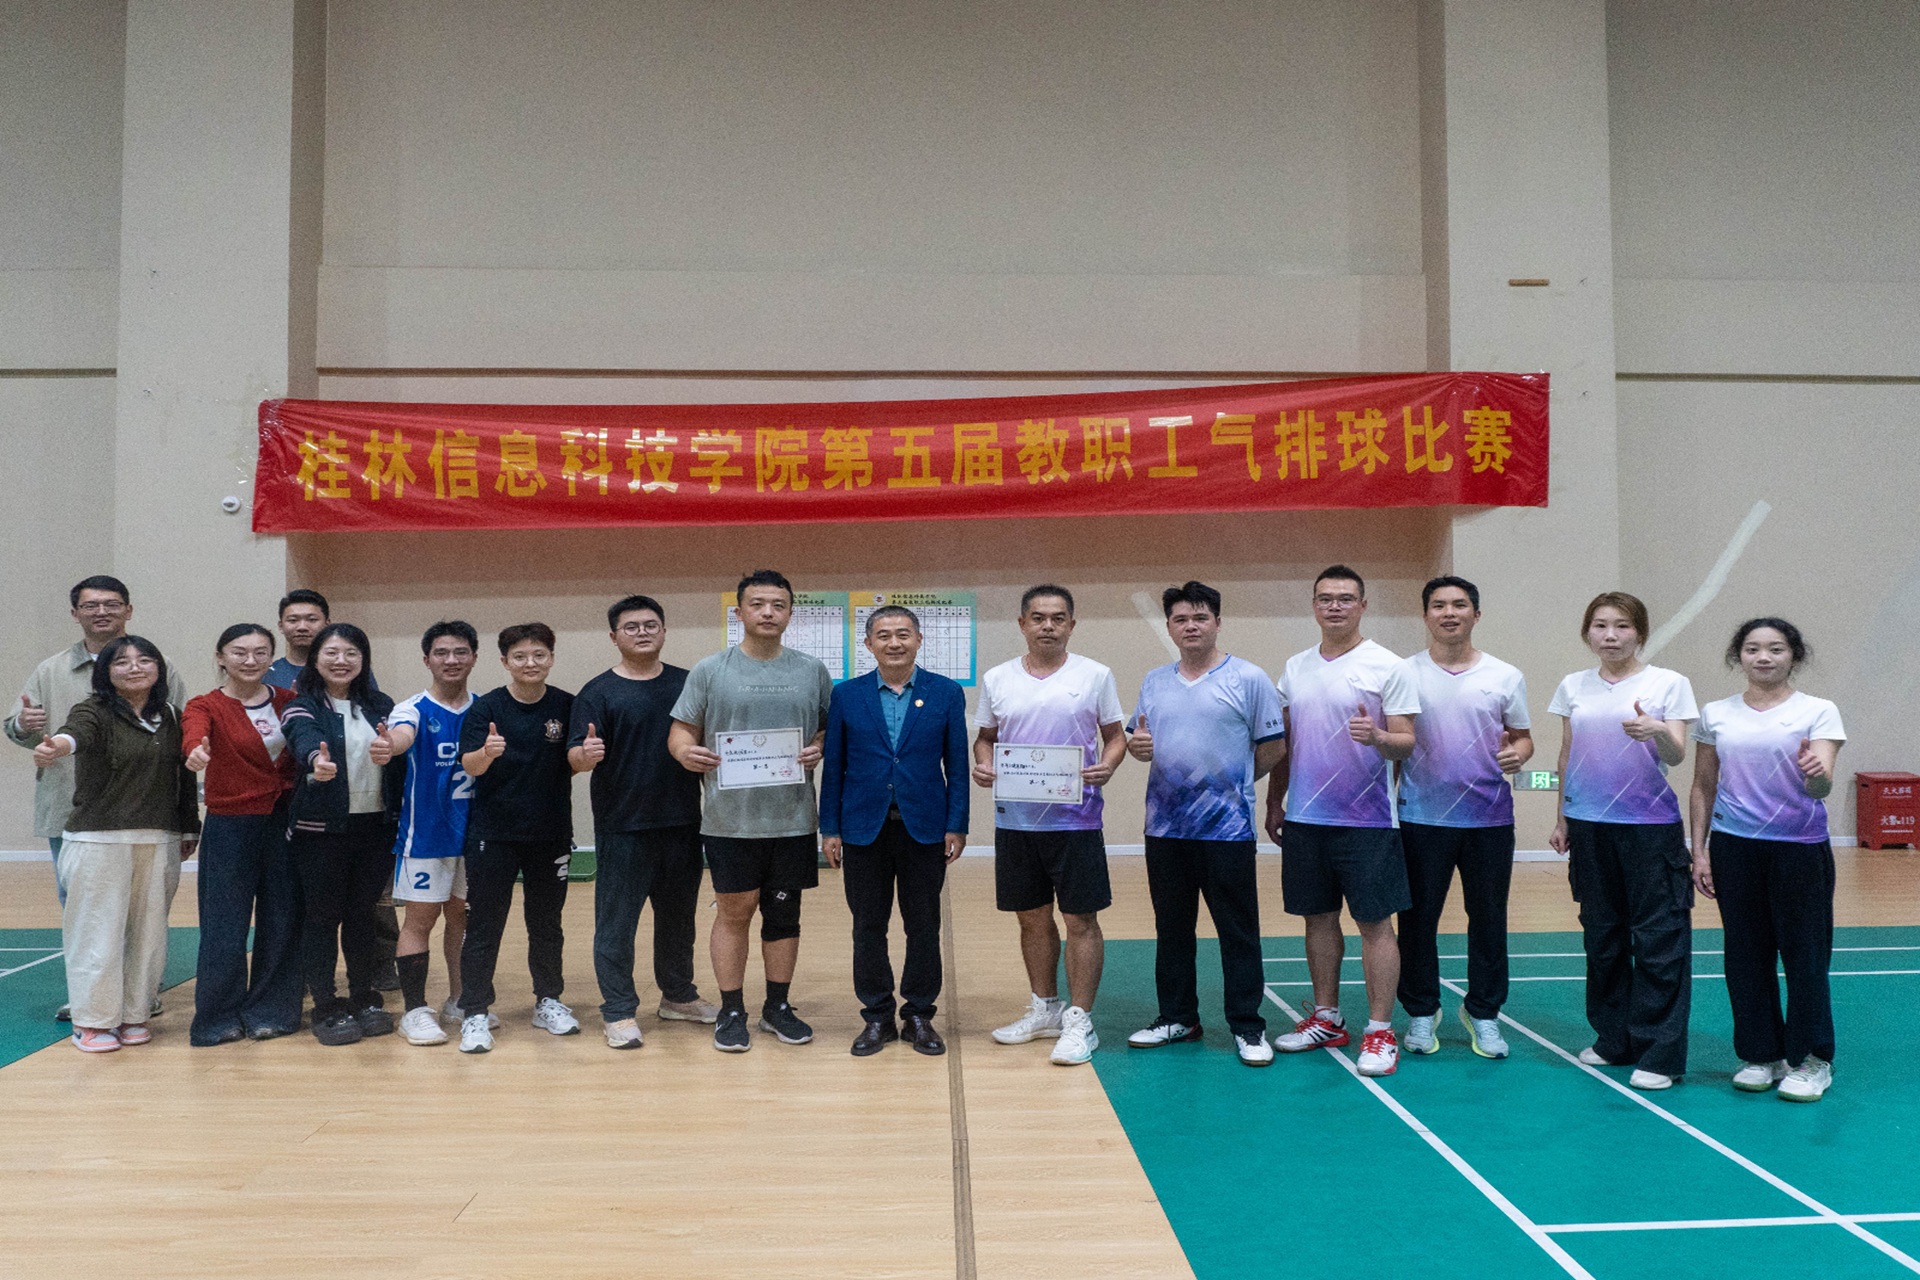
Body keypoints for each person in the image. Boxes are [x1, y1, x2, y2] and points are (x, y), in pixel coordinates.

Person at [1262, 565, 1418, 1078]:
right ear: (1314, 605)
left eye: (1346, 598)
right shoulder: (1296, 667)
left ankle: (1380, 1030)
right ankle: (1327, 1018)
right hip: (1306, 818)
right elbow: (1285, 744)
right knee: (1318, 918)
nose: (1335, 606)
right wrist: (1276, 801)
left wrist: (1378, 738)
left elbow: (1406, 741)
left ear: (1362, 605)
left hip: (1367, 821)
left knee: (1375, 924)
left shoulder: (1389, 666)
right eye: (1325, 598)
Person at [668, 570, 833, 1053]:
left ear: (790, 613)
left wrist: (819, 746)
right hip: (730, 820)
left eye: (778, 605)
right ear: (739, 612)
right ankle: (732, 1009)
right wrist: (685, 753)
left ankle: (777, 1007)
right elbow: (681, 731)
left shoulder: (811, 670)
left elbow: (828, 728)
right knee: (734, 913)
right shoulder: (710, 670)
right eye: (757, 604)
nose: (768, 612)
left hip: (792, 818)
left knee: (784, 915)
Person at [1124, 581, 1284, 1067]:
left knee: (1238, 930)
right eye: (1181, 619)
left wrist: (1230, 785)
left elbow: (1273, 747)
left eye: (1200, 617)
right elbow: (1138, 741)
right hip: (1165, 829)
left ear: (1217, 622)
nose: (1190, 626)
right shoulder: (1154, 681)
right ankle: (1178, 1017)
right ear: (1170, 627)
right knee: (1172, 927)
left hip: (1227, 830)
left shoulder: (1249, 678)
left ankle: (1247, 1025)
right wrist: (1136, 748)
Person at [1548, 591, 1698, 1091]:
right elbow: (1567, 753)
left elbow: (1676, 755)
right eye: (1600, 625)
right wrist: (1562, 817)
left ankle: (1660, 1053)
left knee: (1658, 942)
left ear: (1640, 632)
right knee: (1603, 938)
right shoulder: (1573, 685)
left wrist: (1657, 730)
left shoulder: (1668, 684)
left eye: (1622, 626)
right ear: (1587, 632)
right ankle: (1615, 1039)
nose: (1610, 635)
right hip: (1589, 827)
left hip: (1649, 829)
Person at [1690, 618, 1844, 1103]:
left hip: (1799, 849)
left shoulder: (1818, 711)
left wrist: (1816, 773)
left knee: (1805, 955)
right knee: (1745, 955)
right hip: (1734, 848)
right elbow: (1703, 785)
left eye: (1776, 649)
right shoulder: (1716, 714)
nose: (1763, 657)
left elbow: (1820, 787)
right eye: (1753, 648)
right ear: (1739, 656)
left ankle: (1812, 1059)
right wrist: (1699, 850)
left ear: (1793, 656)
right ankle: (1761, 1054)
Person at [973, 584, 1127, 1067]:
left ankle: (1080, 1019)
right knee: (1032, 918)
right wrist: (984, 764)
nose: (1048, 626)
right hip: (1016, 822)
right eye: (1038, 618)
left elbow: (1115, 736)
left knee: (1080, 919)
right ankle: (1046, 1008)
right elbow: (986, 738)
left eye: (1058, 618)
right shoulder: (998, 678)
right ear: (1022, 624)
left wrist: (1108, 766)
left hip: (1076, 821)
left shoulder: (1095, 675)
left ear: (1071, 625)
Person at [32, 636, 199, 1052]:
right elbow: (74, 736)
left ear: (159, 669)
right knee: (97, 932)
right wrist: (56, 747)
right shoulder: (92, 711)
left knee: (149, 934)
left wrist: (189, 827)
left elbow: (184, 778)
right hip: (98, 840)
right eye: (122, 662)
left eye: (145, 660)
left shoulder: (172, 716)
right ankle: (92, 1021)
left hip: (158, 838)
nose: (134, 667)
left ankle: (134, 1013)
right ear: (105, 672)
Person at [1392, 576, 1533, 1060]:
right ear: (1425, 615)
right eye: (1438, 605)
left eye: (1459, 604)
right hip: (1421, 818)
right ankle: (1421, 1010)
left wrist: (1518, 755)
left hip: (1489, 820)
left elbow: (1523, 738)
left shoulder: (1505, 675)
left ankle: (1484, 1012)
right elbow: (1395, 746)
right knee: (1417, 920)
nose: (1449, 613)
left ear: (1476, 613)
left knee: (1488, 919)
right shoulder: (1404, 672)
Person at [820, 605, 969, 1056]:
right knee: (868, 925)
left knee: (923, 925)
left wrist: (956, 824)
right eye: (883, 635)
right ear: (868, 644)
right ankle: (877, 1016)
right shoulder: (847, 695)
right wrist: (830, 827)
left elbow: (957, 765)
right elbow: (834, 767)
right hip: (863, 828)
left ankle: (919, 1014)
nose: (894, 642)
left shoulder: (945, 693)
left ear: (919, 640)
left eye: (903, 633)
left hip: (924, 828)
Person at [570, 595, 714, 1050]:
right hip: (623, 825)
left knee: (678, 920)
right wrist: (584, 756)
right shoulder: (597, 692)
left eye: (651, 625)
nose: (642, 632)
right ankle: (617, 1010)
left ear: (664, 631)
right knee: (617, 925)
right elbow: (575, 756)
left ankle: (678, 996)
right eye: (631, 627)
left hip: (683, 822)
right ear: (614, 637)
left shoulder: (687, 683)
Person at [6, 576, 185, 927]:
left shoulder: (159, 665)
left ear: (128, 610)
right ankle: (89, 962)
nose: (101, 612)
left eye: (111, 604)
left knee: (145, 902)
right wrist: (24, 725)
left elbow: (178, 729)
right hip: (70, 803)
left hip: (146, 806)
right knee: (78, 900)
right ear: (75, 613)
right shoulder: (51, 670)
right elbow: (21, 731)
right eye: (90, 605)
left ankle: (135, 962)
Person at [454, 623, 580, 1053]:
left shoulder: (566, 704)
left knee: (547, 923)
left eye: (539, 654)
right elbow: (470, 766)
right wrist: (486, 754)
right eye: (521, 656)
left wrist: (586, 758)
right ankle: (475, 1011)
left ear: (551, 658)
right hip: (494, 834)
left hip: (550, 832)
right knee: (484, 924)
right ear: (505, 662)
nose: (531, 663)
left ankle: (549, 1000)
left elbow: (575, 759)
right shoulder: (486, 707)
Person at [181, 624, 301, 1045]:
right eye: (239, 652)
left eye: (260, 652)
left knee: (282, 918)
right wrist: (195, 750)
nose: (251, 660)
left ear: (272, 657)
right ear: (221, 657)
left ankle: (273, 1011)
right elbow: (194, 733)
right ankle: (217, 1017)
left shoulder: (290, 701)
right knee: (224, 925)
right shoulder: (205, 705)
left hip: (284, 822)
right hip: (231, 824)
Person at [281, 623, 399, 1046]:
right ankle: (326, 1004)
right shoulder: (301, 705)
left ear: (363, 660)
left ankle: (364, 996)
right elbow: (304, 738)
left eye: (351, 653)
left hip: (375, 826)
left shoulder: (380, 705)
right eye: (331, 652)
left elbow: (399, 748)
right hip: (322, 830)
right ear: (315, 659)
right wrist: (317, 762)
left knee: (362, 914)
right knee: (322, 917)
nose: (341, 661)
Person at [385, 621, 481, 1047]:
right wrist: (390, 745)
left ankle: (460, 1000)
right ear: (427, 660)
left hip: (475, 838)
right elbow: (401, 737)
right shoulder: (411, 709)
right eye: (441, 652)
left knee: (463, 918)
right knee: (420, 920)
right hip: (425, 837)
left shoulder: (485, 708)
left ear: (474, 657)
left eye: (460, 652)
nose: (451, 660)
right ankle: (414, 1010)